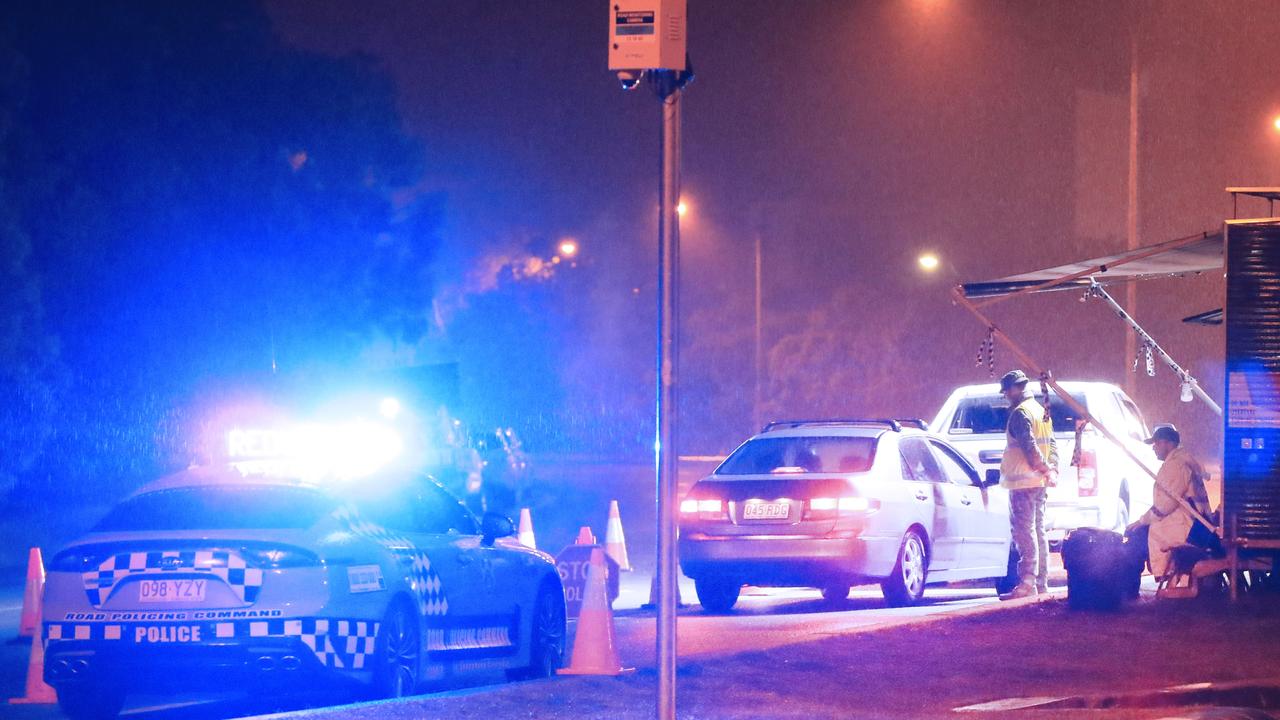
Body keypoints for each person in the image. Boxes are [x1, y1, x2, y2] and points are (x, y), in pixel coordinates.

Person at [997, 369, 1058, 600]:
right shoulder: (1041, 410)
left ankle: (1027, 583)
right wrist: (1052, 470)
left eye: (1006, 390)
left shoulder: (1020, 414)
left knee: (1024, 532)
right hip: (1040, 482)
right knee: (1039, 531)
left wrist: (1044, 468)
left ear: (1015, 389)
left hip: (1023, 482)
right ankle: (1041, 583)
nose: (1005, 395)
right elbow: (1052, 444)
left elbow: (1030, 447)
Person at [1126, 424, 1215, 579]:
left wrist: (1141, 522)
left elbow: (1165, 504)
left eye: (1157, 443)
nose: (1154, 448)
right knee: (1139, 535)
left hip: (1185, 526)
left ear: (1169, 443)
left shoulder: (1176, 464)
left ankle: (1129, 584)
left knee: (1136, 537)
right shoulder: (1181, 461)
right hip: (1191, 524)